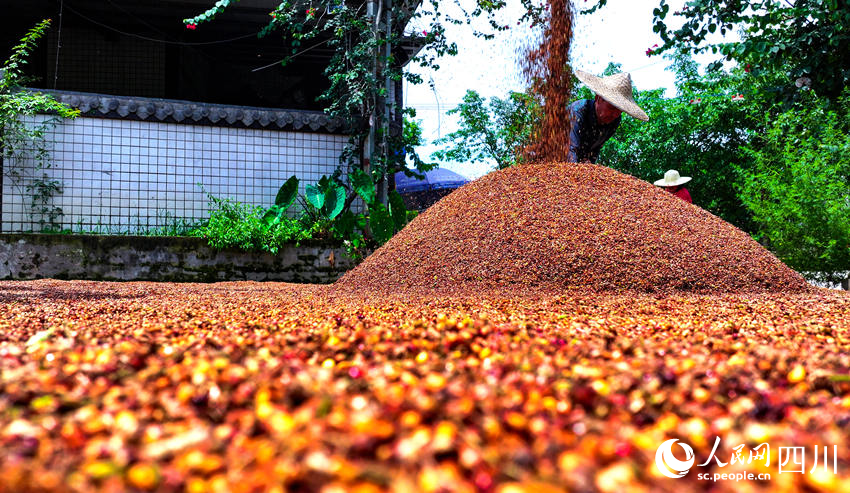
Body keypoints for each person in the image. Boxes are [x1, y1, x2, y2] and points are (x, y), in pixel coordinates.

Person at [567, 70, 649, 163]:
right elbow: (571, 150)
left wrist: (590, 165)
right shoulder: (578, 111)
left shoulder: (614, 121)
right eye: (611, 108)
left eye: (619, 111)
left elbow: (595, 149)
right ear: (598, 98)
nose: (614, 114)